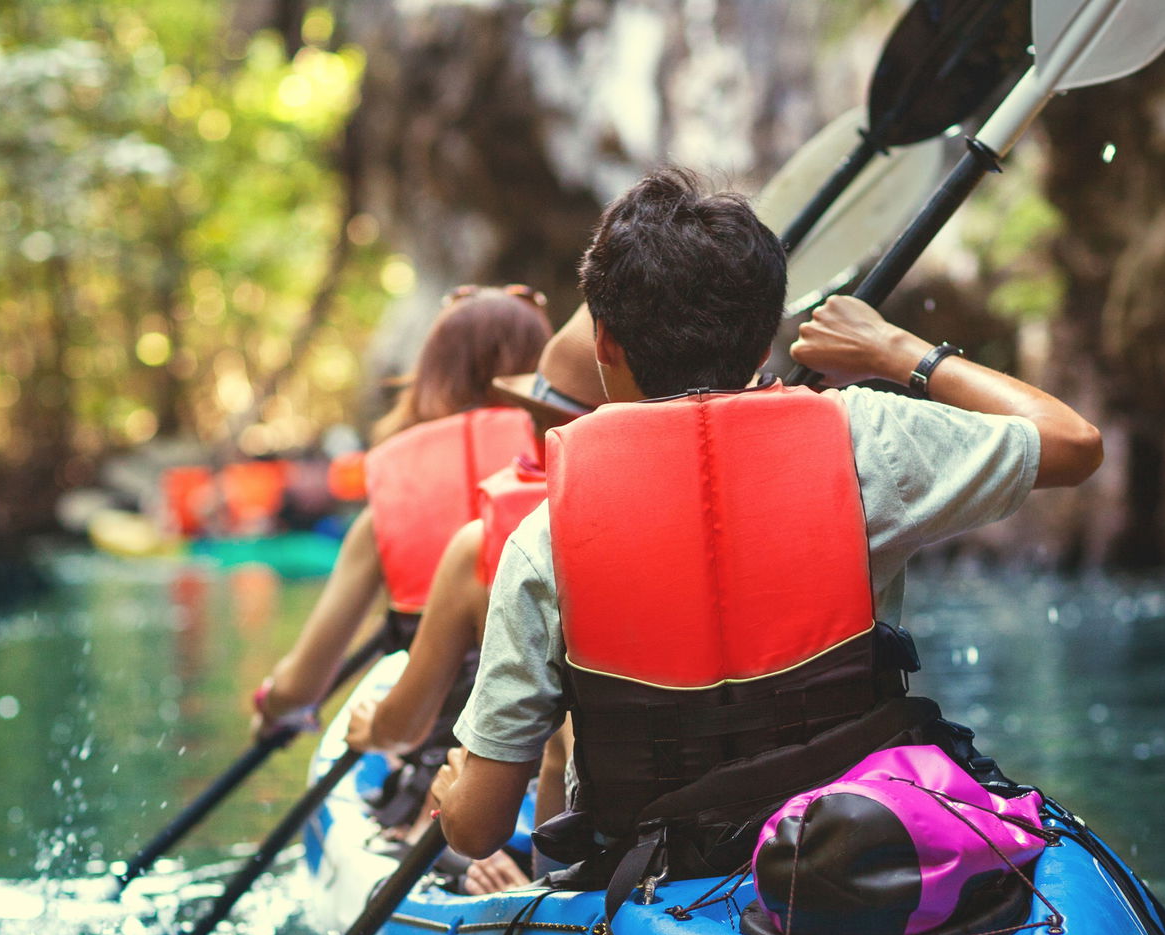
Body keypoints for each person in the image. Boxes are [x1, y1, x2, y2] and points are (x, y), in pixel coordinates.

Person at [425, 167, 1104, 890]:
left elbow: (479, 826)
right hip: (859, 851)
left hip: (659, 880)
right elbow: (1072, 441)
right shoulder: (864, 440)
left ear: (604, 344)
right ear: (760, 345)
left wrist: (449, 789)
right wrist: (896, 351)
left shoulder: (546, 537)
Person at [342, 310, 609, 892]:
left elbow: (407, 733)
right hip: (651, 838)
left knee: (447, 809)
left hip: (509, 815)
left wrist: (372, 735)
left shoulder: (488, 545)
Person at [248, 286, 550, 758]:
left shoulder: (385, 510)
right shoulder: (576, 470)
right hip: (560, 754)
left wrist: (272, 705)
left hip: (440, 759)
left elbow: (302, 686)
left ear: (432, 374)